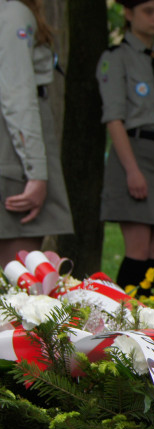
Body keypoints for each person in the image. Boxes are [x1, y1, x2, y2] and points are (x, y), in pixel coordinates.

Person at [98, 0, 154, 290]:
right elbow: (113, 118)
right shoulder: (116, 57)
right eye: (148, 12)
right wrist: (132, 171)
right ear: (128, 13)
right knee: (137, 252)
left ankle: (153, 323)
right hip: (135, 151)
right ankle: (126, 322)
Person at [0, 0, 73, 264]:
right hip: (15, 152)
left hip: (12, 144)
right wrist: (37, 173)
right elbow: (17, 94)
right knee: (20, 274)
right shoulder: (13, 13)